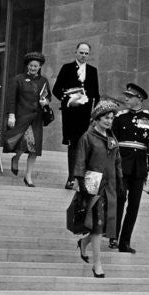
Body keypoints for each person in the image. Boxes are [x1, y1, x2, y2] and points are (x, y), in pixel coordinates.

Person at [72, 99, 123, 278]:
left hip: (110, 187)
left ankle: (83, 243)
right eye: (106, 118)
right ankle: (97, 264)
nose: (109, 121)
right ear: (97, 119)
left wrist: (121, 182)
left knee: (102, 224)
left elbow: (117, 162)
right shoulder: (87, 137)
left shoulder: (112, 138)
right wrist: (81, 183)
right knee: (97, 225)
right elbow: (80, 161)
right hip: (93, 186)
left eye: (111, 118)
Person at [111, 82, 149, 253]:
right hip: (122, 164)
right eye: (126, 96)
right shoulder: (120, 116)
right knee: (119, 200)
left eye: (129, 97)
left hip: (139, 167)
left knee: (134, 205)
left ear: (139, 99)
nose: (126, 99)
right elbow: (113, 141)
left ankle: (125, 242)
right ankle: (113, 236)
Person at [53, 41, 99, 189]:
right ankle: (71, 177)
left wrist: (95, 114)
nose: (84, 55)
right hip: (71, 114)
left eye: (86, 53)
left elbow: (96, 94)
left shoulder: (92, 71)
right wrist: (68, 100)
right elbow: (56, 89)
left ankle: (83, 178)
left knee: (86, 145)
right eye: (81, 52)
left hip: (86, 115)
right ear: (76, 52)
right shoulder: (67, 68)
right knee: (73, 145)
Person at [3, 51, 50, 187]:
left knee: (34, 148)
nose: (33, 68)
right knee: (24, 142)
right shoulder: (18, 79)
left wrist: (45, 102)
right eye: (31, 66)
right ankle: (16, 158)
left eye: (35, 66)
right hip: (22, 117)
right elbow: (11, 99)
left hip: (37, 118)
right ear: (27, 66)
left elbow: (48, 96)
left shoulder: (43, 81)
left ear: (40, 67)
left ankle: (28, 176)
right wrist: (11, 115)